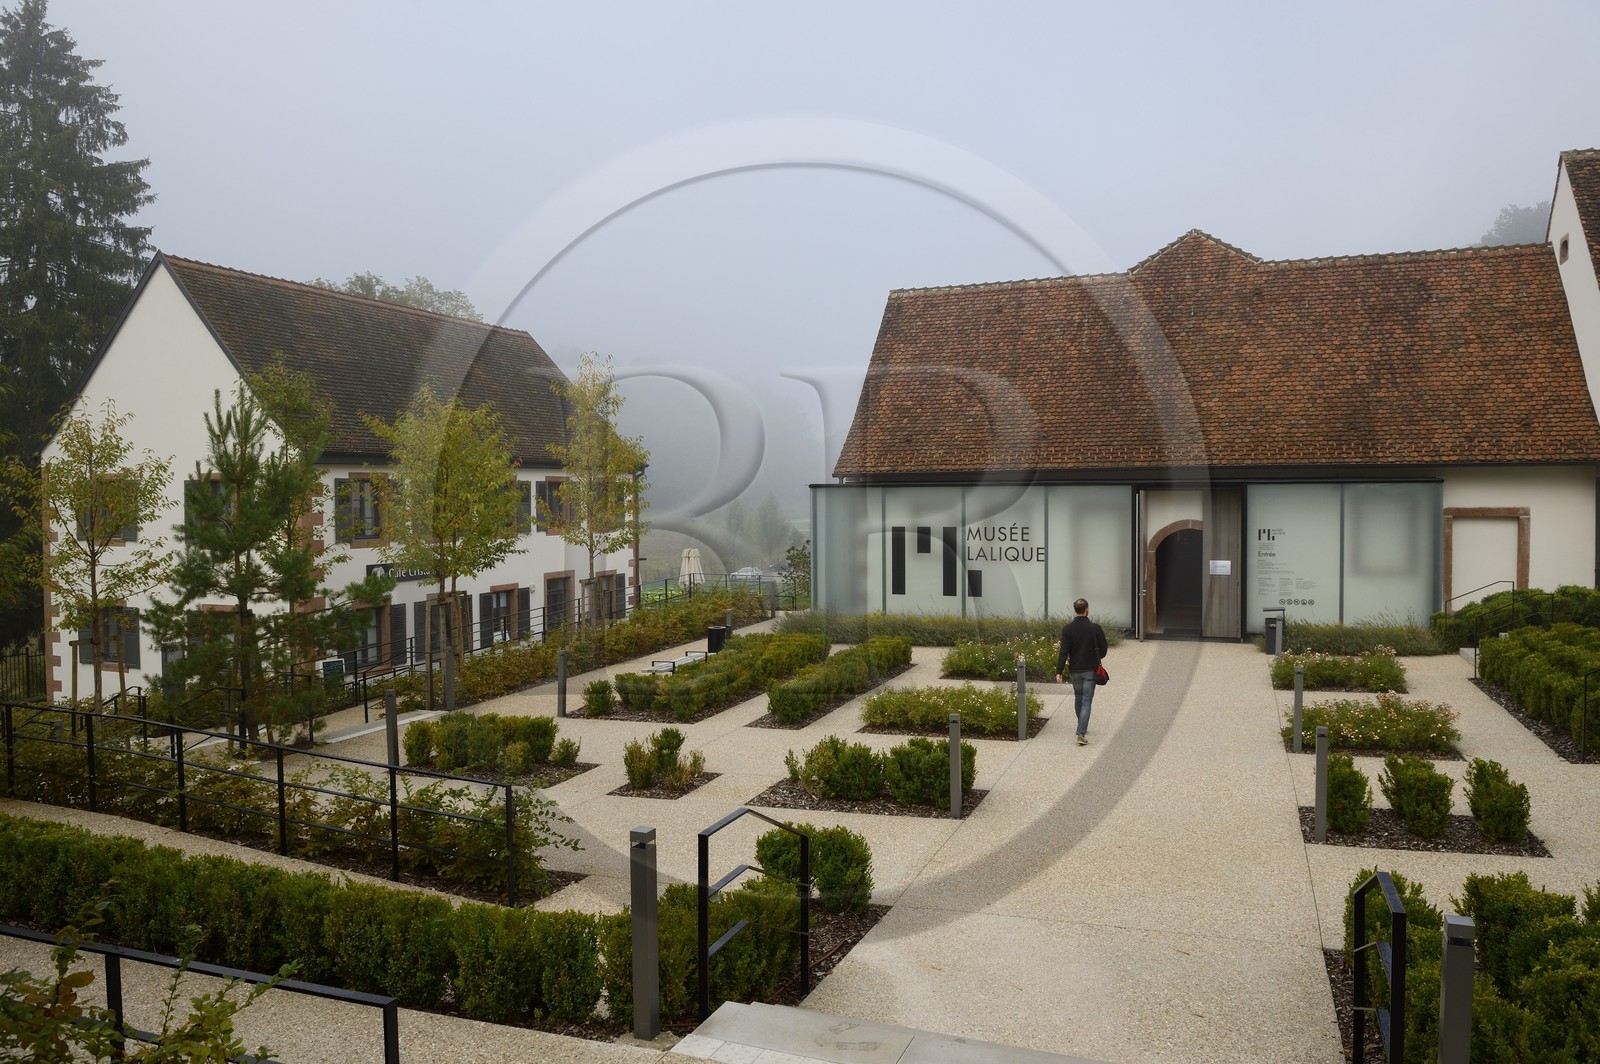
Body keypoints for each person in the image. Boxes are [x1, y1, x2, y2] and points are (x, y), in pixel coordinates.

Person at [1054, 597, 1107, 745]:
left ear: (1075, 610)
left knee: (1078, 698)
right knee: (1087, 701)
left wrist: (1059, 671)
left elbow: (1063, 652)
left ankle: (1081, 726)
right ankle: (1081, 733)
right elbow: (1103, 650)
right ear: (1087, 610)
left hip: (1074, 670)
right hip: (1090, 669)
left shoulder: (1067, 629)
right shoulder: (1095, 628)